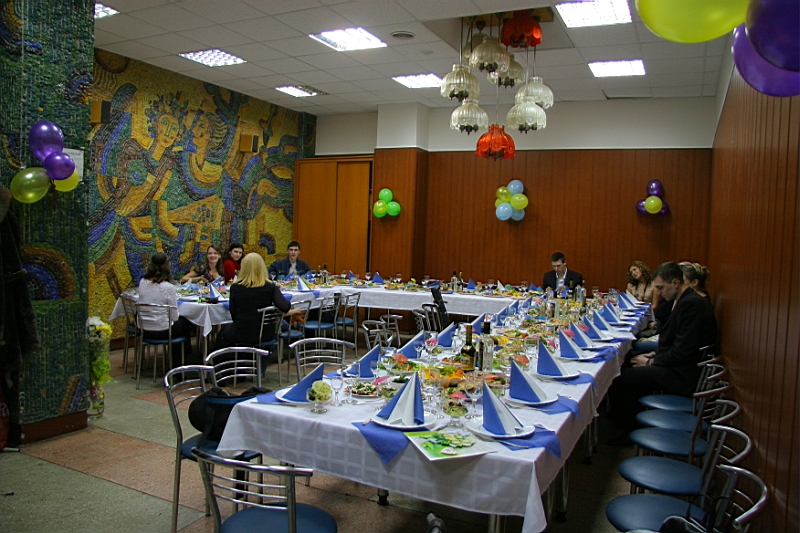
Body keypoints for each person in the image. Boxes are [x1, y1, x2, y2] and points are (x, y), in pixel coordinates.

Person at [608, 262, 718, 440]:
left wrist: (651, 361)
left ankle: (629, 428)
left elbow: (683, 352)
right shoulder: (686, 300)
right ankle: (629, 419)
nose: (658, 293)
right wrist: (654, 355)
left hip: (684, 374)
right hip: (680, 364)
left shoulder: (691, 305)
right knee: (628, 359)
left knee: (620, 377)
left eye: (660, 288)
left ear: (675, 283)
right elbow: (677, 345)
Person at [215, 253, 301, 350]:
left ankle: (230, 357)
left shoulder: (235, 288)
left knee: (222, 333)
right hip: (265, 333)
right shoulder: (270, 286)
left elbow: (234, 314)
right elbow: (285, 307)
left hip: (242, 332)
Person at [137, 252, 193, 367]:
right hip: (163, 330)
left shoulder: (142, 282)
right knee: (185, 322)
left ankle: (182, 358)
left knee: (180, 324)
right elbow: (174, 317)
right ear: (167, 266)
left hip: (143, 328)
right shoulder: (168, 287)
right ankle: (180, 362)